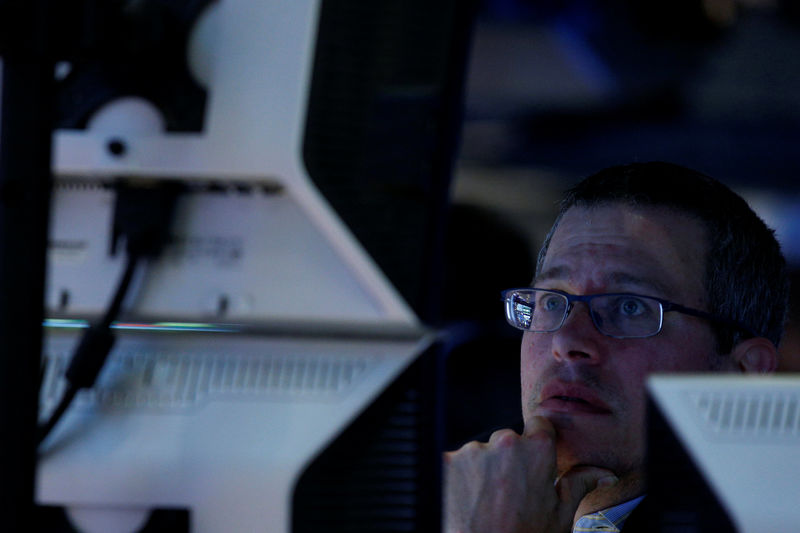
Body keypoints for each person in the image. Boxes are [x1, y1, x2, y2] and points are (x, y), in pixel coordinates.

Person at [444, 161, 788, 533]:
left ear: (743, 373)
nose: (567, 342)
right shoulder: (441, 489)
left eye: (629, 307)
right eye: (552, 301)